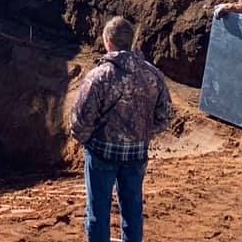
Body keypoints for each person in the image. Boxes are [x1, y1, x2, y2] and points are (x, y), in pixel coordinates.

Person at [71, 16, 173, 242]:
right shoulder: (152, 74)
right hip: (136, 154)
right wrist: (142, 135)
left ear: (108, 41)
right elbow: (165, 115)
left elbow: (79, 120)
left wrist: (89, 140)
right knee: (133, 210)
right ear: (132, 41)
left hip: (101, 154)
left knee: (98, 212)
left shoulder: (99, 76)